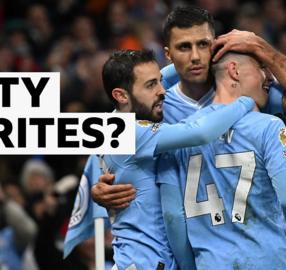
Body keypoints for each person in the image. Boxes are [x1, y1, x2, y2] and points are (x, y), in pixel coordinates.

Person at [92, 6, 286, 209]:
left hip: (257, 231)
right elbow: (114, 133)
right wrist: (96, 189)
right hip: (190, 241)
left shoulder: (242, 88)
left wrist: (262, 48)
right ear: (168, 54)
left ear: (215, 45)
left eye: (203, 44)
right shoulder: (155, 104)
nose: (195, 56)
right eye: (184, 47)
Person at [96, 49, 258, 270]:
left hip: (142, 260)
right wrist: (246, 101)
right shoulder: (130, 132)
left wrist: (213, 51)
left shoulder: (113, 123)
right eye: (151, 85)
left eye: (160, 82)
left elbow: (172, 72)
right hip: (147, 263)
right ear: (121, 95)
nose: (163, 91)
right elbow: (198, 133)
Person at [158, 51, 286, 269]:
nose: (270, 77)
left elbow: (173, 216)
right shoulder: (268, 126)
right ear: (234, 71)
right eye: (261, 68)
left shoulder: (179, 134)